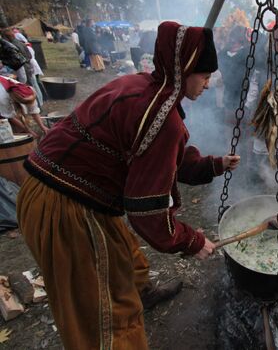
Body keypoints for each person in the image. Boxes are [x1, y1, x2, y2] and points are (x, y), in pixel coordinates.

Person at [17, 22, 241, 349]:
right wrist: (192, 241)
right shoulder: (163, 116)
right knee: (106, 315)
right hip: (65, 206)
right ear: (184, 70)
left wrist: (212, 165)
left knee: (124, 250)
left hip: (54, 186)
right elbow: (146, 213)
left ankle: (141, 289)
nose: (208, 84)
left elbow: (157, 155)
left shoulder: (144, 84)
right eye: (204, 75)